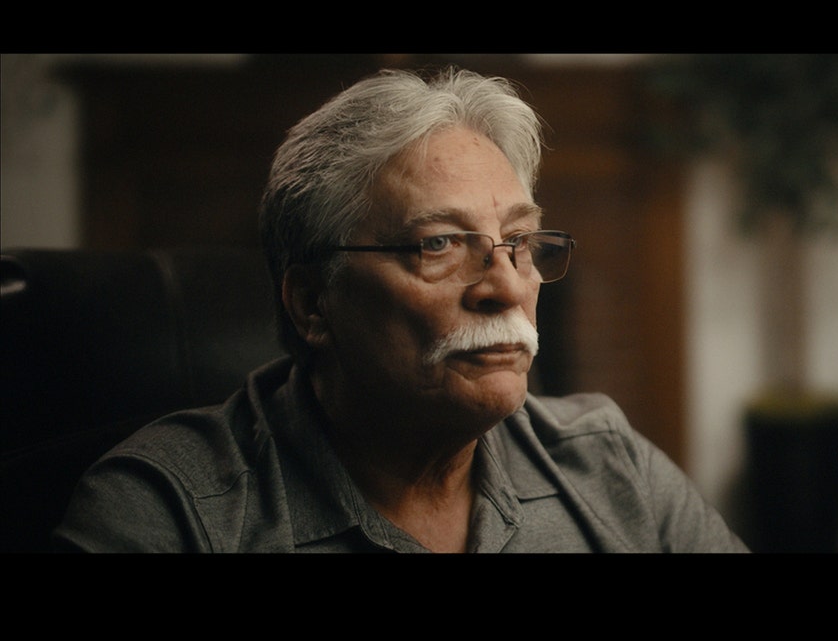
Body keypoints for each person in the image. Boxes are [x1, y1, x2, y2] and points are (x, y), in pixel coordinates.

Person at [53, 66, 749, 553]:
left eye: (519, 241)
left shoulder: (608, 462)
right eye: (439, 243)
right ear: (312, 303)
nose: (506, 287)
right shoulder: (167, 511)